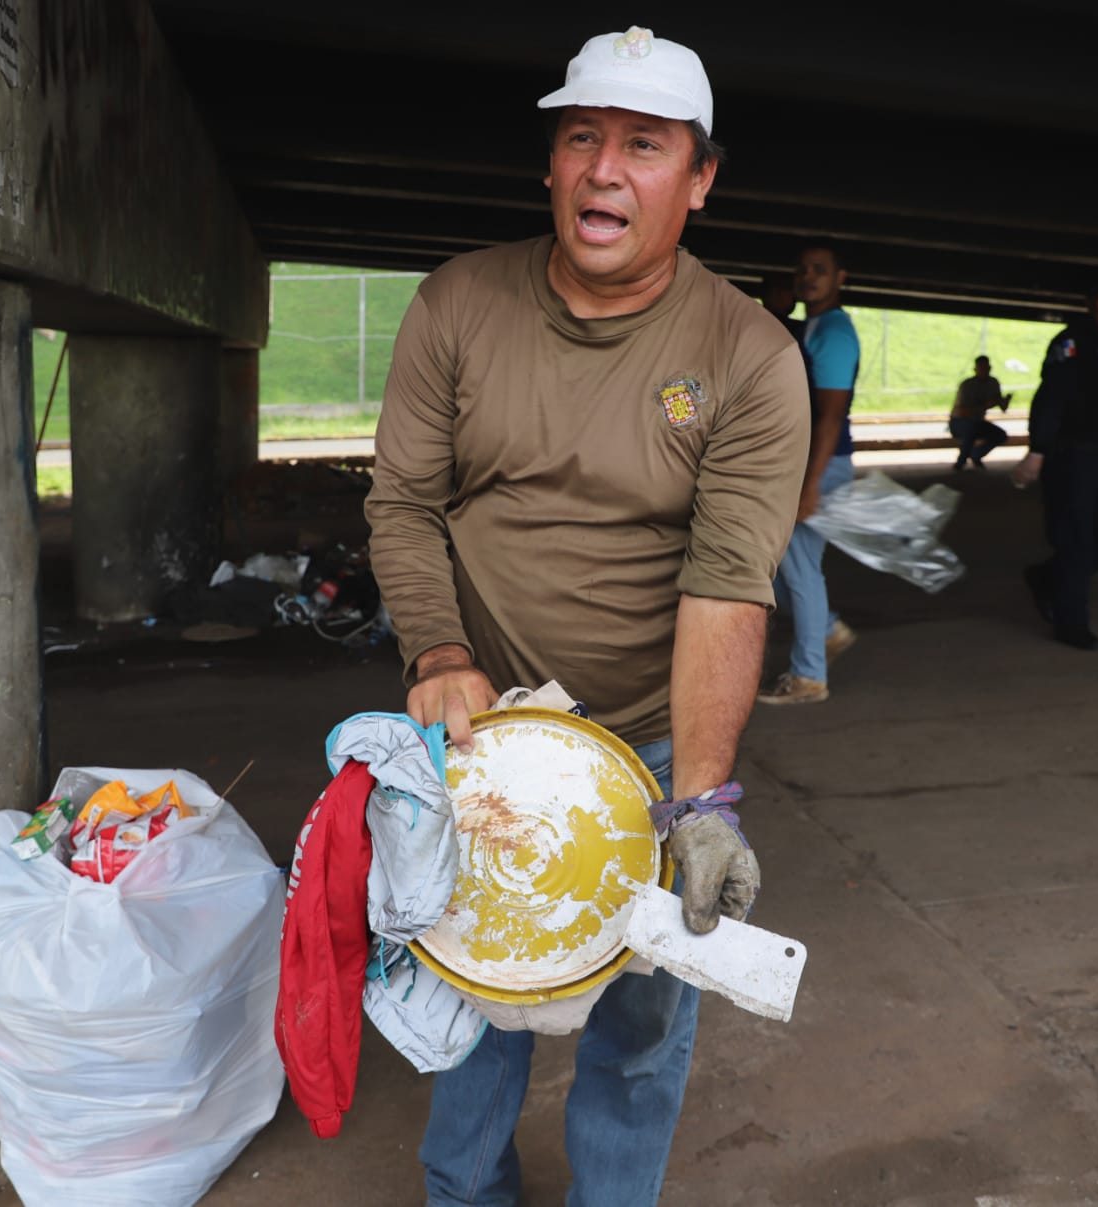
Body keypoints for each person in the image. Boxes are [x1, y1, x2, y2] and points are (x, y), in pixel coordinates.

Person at [364, 26, 809, 1206]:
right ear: (551, 166)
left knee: (642, 1023)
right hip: (478, 740)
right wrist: (439, 650)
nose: (606, 170)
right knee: (471, 999)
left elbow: (725, 581)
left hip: (646, 743)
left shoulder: (748, 357)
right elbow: (403, 504)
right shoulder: (459, 303)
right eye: (582, 139)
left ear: (699, 179)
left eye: (645, 146)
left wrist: (700, 800)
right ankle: (466, 1195)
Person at [1013, 270, 1098, 650]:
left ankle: (1047, 578)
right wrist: (1038, 451)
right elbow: (1050, 399)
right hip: (1075, 456)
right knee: (1077, 540)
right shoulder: (1072, 342)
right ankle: (1071, 624)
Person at [757, 243, 860, 705]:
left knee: (799, 569)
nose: (808, 277)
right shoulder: (813, 326)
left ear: (841, 278)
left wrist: (810, 483)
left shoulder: (834, 331)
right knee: (780, 565)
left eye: (820, 270)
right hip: (805, 464)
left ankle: (808, 677)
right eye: (802, 270)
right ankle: (829, 629)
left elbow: (830, 415)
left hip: (820, 464)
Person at [949, 354, 1011, 469]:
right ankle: (961, 461)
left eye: (986, 368)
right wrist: (984, 406)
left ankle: (976, 454)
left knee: (1000, 435)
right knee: (971, 428)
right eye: (981, 368)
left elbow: (1002, 407)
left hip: (977, 422)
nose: (984, 371)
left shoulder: (993, 383)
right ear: (975, 369)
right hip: (959, 422)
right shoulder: (967, 385)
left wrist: (1005, 401)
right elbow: (962, 411)